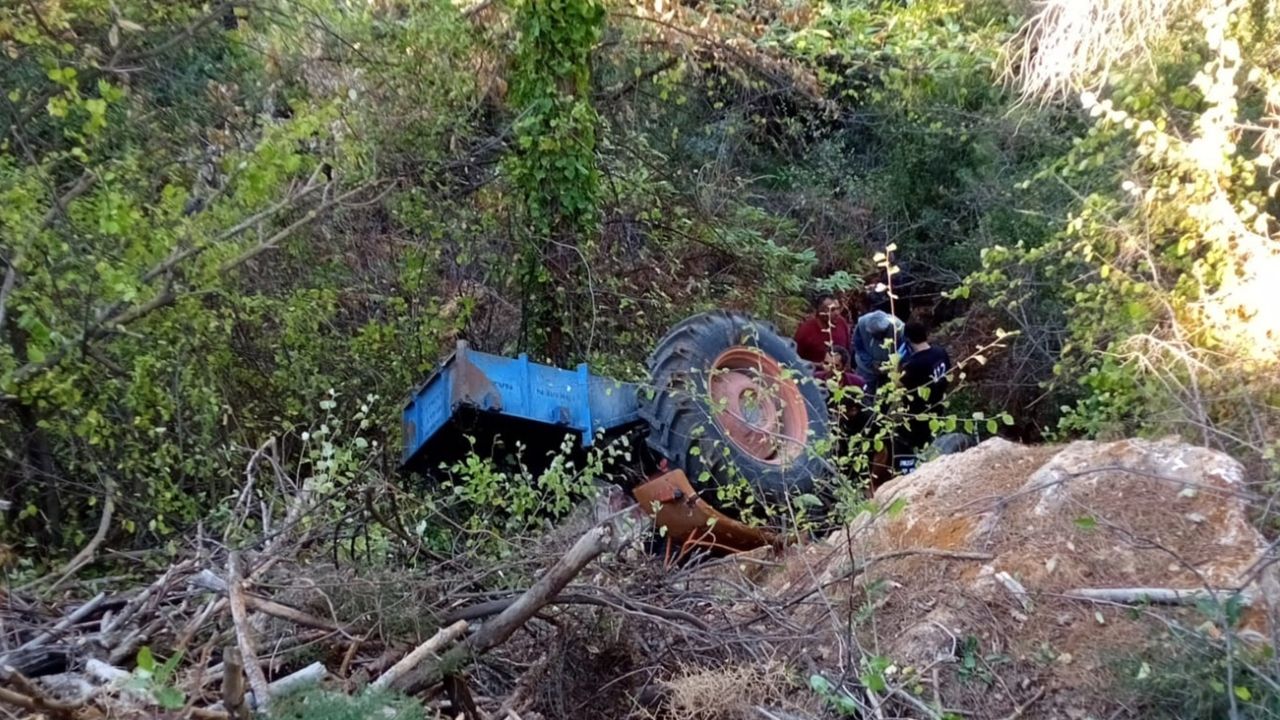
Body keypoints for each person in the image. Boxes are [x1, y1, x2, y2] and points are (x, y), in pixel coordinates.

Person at [899, 320, 951, 451]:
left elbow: (897, 385)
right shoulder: (940, 352)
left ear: (908, 339)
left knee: (920, 446)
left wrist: (895, 363)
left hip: (918, 413)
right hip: (938, 405)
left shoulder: (914, 364)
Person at [852, 309, 905, 394]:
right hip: (866, 368)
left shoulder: (898, 327)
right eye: (874, 334)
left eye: (880, 333)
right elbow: (858, 346)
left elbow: (902, 349)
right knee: (863, 394)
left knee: (888, 396)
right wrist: (871, 363)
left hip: (890, 369)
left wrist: (892, 364)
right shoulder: (862, 323)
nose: (877, 336)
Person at [794, 293, 851, 366]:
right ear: (820, 311)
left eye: (838, 308)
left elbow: (848, 350)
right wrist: (819, 365)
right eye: (832, 310)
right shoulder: (805, 330)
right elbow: (795, 359)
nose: (837, 313)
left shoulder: (842, 322)